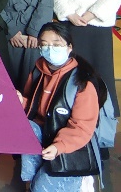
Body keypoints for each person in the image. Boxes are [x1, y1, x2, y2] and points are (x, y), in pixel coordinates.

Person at [20, 21, 105, 191]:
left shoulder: (82, 82)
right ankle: (32, 177)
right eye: (45, 44)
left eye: (56, 44)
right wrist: (20, 101)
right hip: (45, 134)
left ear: (69, 47)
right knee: (26, 127)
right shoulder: (38, 71)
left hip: (71, 145)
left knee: (40, 189)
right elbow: (33, 109)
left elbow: (82, 127)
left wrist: (59, 146)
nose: (50, 49)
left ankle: (82, 181)